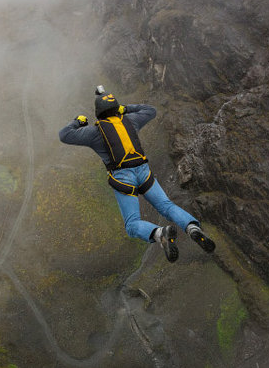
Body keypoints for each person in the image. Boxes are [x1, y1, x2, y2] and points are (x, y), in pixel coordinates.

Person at [59, 85, 216, 262]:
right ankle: (192, 228)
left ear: (99, 113)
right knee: (166, 206)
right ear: (116, 108)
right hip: (143, 171)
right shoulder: (131, 120)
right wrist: (125, 108)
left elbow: (64, 135)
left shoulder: (94, 132)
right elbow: (151, 110)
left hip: (123, 178)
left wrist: (77, 122)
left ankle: (159, 233)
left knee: (132, 224)